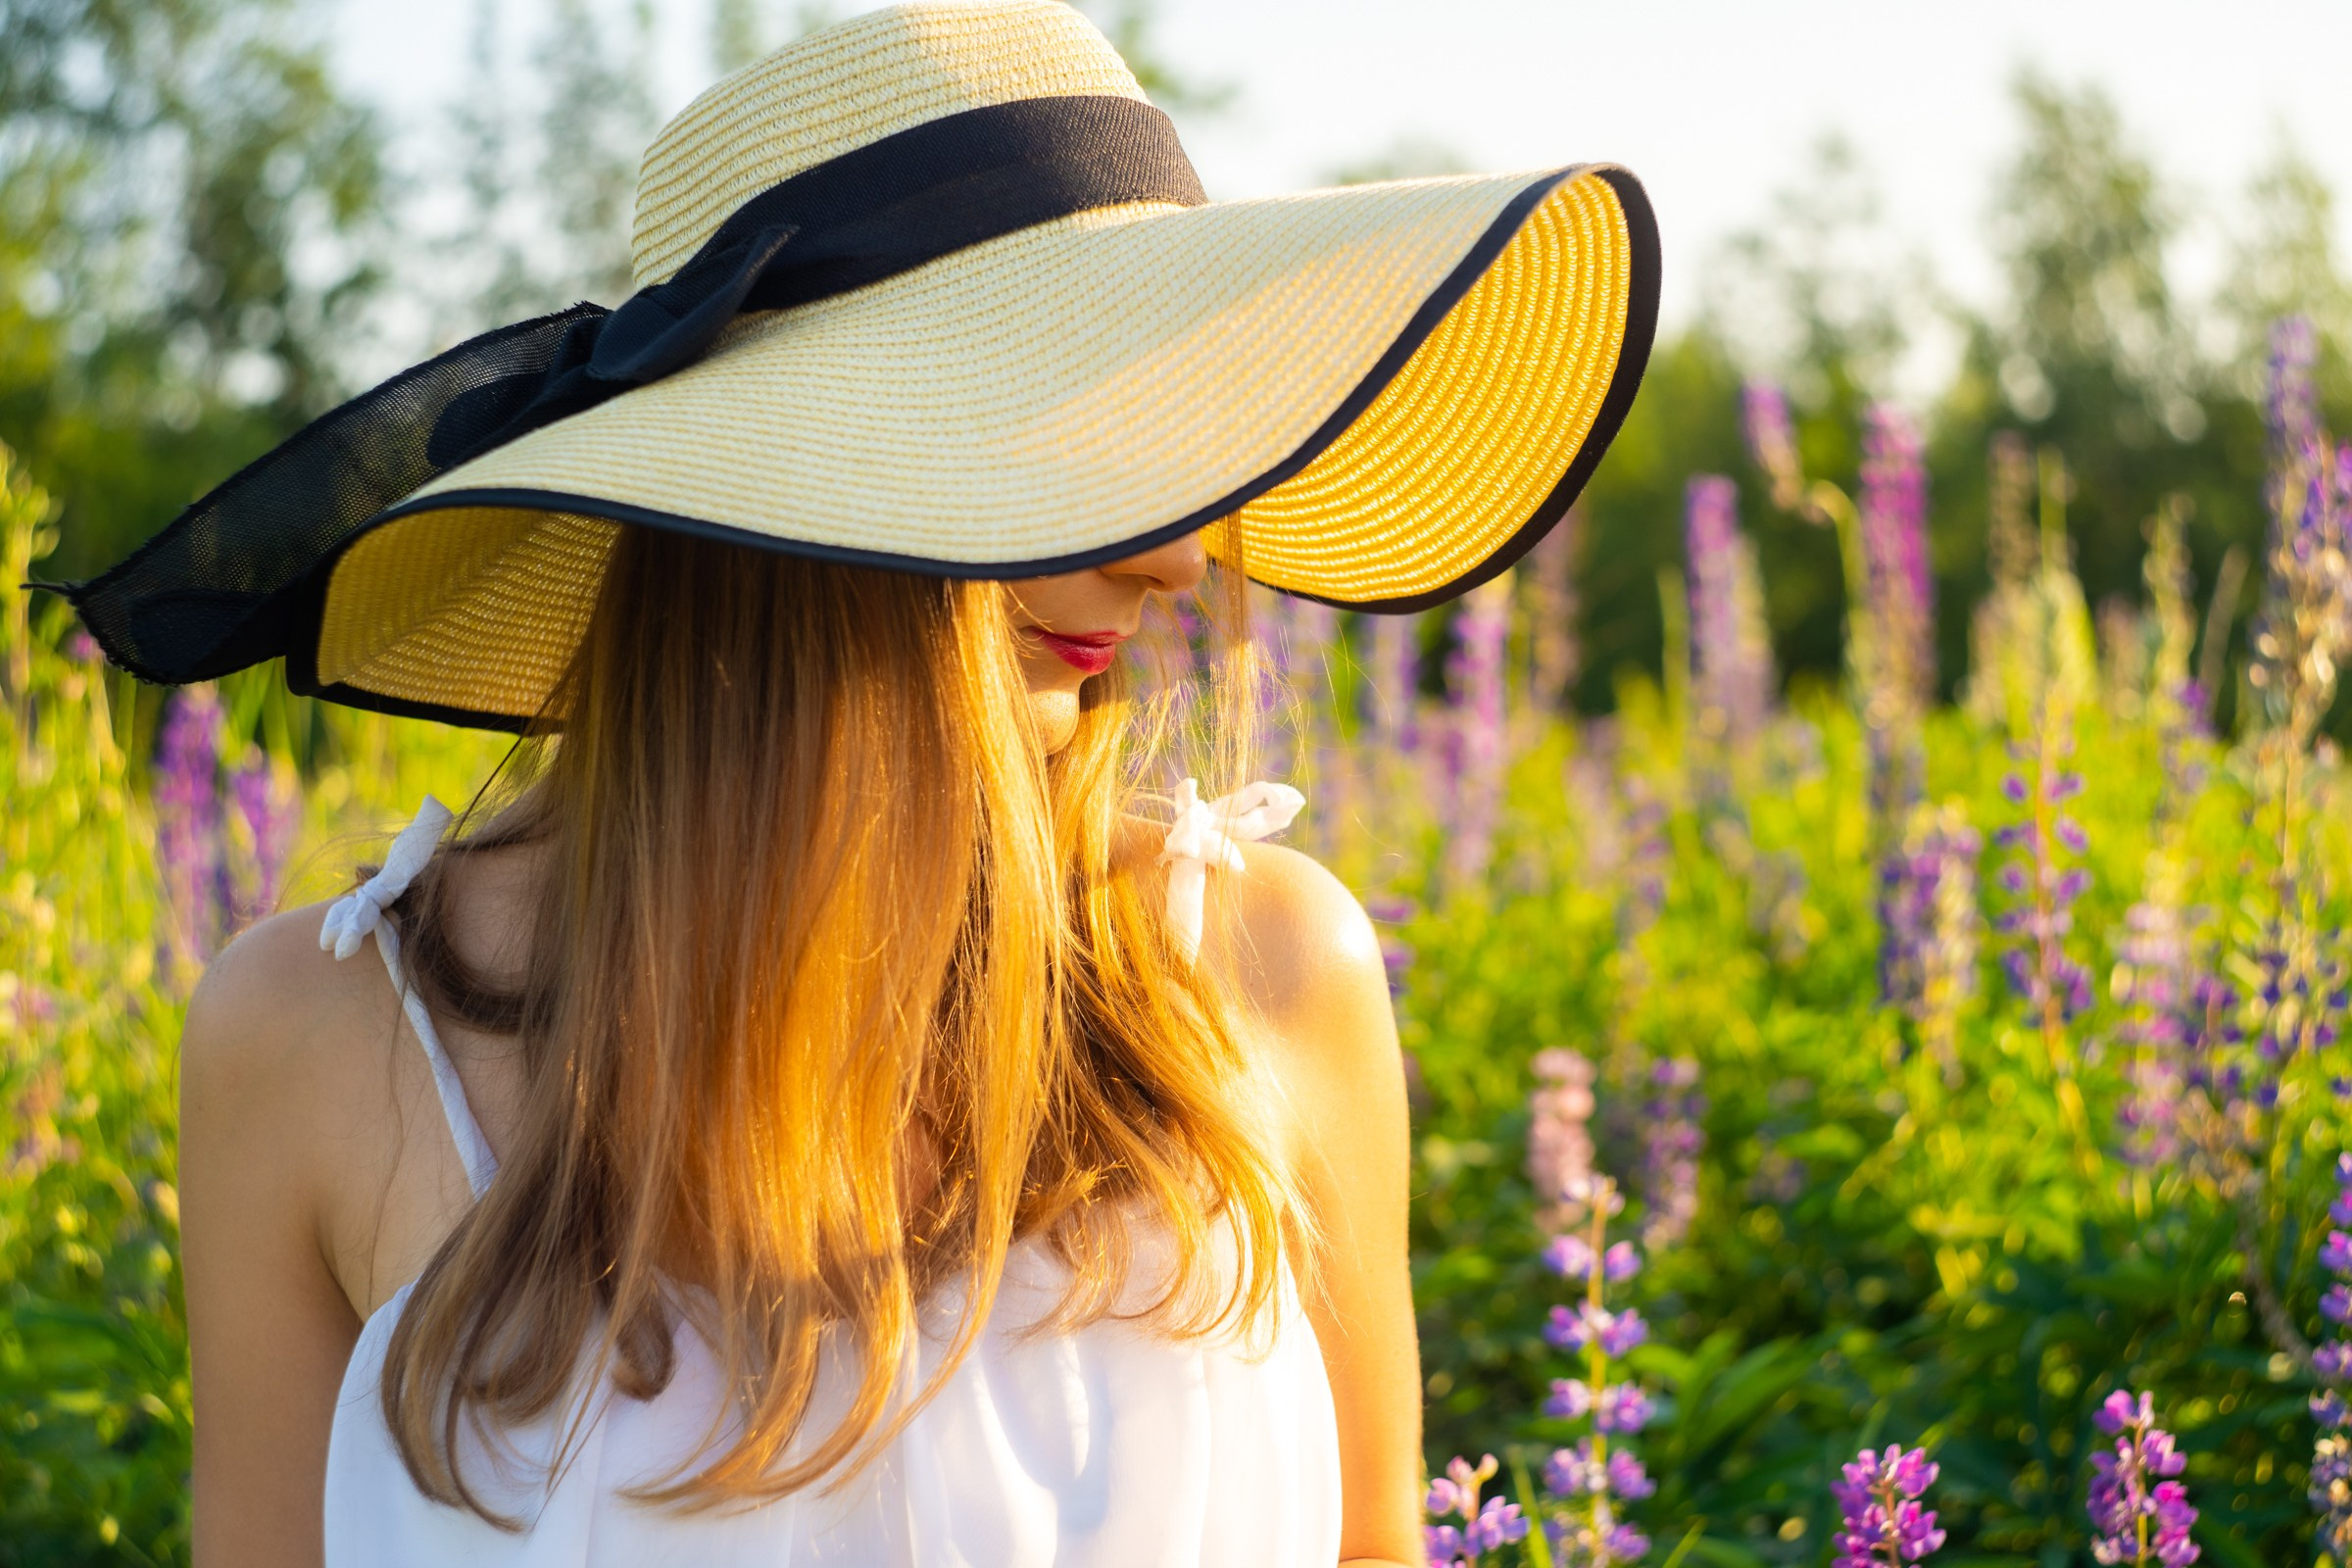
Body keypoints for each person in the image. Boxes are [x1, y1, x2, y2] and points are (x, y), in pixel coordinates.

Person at [44, 2, 1656, 1562]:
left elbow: (1370, 1545)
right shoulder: (317, 1040)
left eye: (1179, 447)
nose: (1181, 555)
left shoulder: (1264, 968)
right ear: (789, 511)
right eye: (1079, 450)